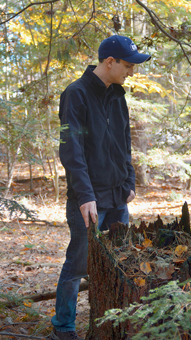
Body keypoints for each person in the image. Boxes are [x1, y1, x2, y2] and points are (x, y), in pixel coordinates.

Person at [51, 35, 151, 340]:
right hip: (89, 201)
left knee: (122, 263)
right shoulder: (75, 94)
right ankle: (63, 328)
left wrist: (130, 181)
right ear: (110, 62)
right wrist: (85, 196)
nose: (131, 72)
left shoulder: (118, 96)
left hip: (118, 197)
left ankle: (116, 325)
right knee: (78, 265)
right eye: (128, 66)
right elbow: (72, 150)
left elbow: (124, 144)